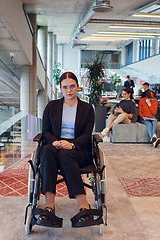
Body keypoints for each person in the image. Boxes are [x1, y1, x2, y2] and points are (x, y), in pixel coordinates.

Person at [39, 71, 95, 227]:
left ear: (78, 87)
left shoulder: (87, 108)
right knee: (47, 151)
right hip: (56, 144)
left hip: (79, 148)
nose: (68, 91)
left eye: (72, 86)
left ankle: (83, 205)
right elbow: (46, 132)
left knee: (65, 156)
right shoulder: (52, 106)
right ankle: (49, 206)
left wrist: (72, 144)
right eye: (65, 87)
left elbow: (87, 134)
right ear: (60, 89)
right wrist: (55, 141)